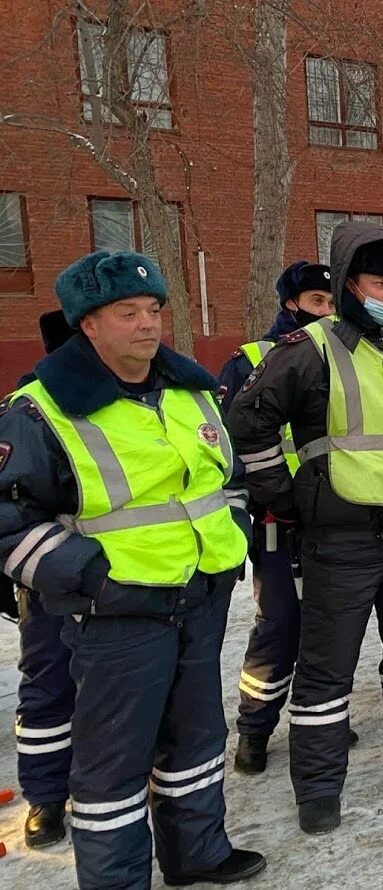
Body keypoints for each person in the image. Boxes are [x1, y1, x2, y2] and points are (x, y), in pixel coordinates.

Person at [0, 251, 265, 887]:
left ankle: (196, 853)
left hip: (198, 597)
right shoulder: (39, 409)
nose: (148, 325)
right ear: (87, 324)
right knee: (111, 767)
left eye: (153, 311)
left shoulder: (189, 390)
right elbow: (9, 520)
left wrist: (231, 535)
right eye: (128, 313)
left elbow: (222, 480)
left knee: (196, 739)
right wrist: (93, 579)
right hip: (116, 614)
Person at [227, 222, 383, 836]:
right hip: (339, 537)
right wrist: (288, 494)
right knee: (326, 669)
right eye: (377, 282)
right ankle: (318, 786)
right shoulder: (311, 349)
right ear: (348, 285)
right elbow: (248, 419)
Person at [218, 260, 336, 776]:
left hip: (334, 516)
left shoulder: (345, 356)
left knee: (328, 625)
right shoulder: (250, 360)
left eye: (333, 303)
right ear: (291, 304)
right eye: (317, 303)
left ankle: (316, 716)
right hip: (277, 519)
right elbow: (231, 444)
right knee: (279, 625)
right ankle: (255, 729)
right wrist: (272, 500)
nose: (328, 313)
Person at [6, 309, 76, 849]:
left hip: (134, 577)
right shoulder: (28, 410)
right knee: (49, 684)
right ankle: (46, 797)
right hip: (52, 581)